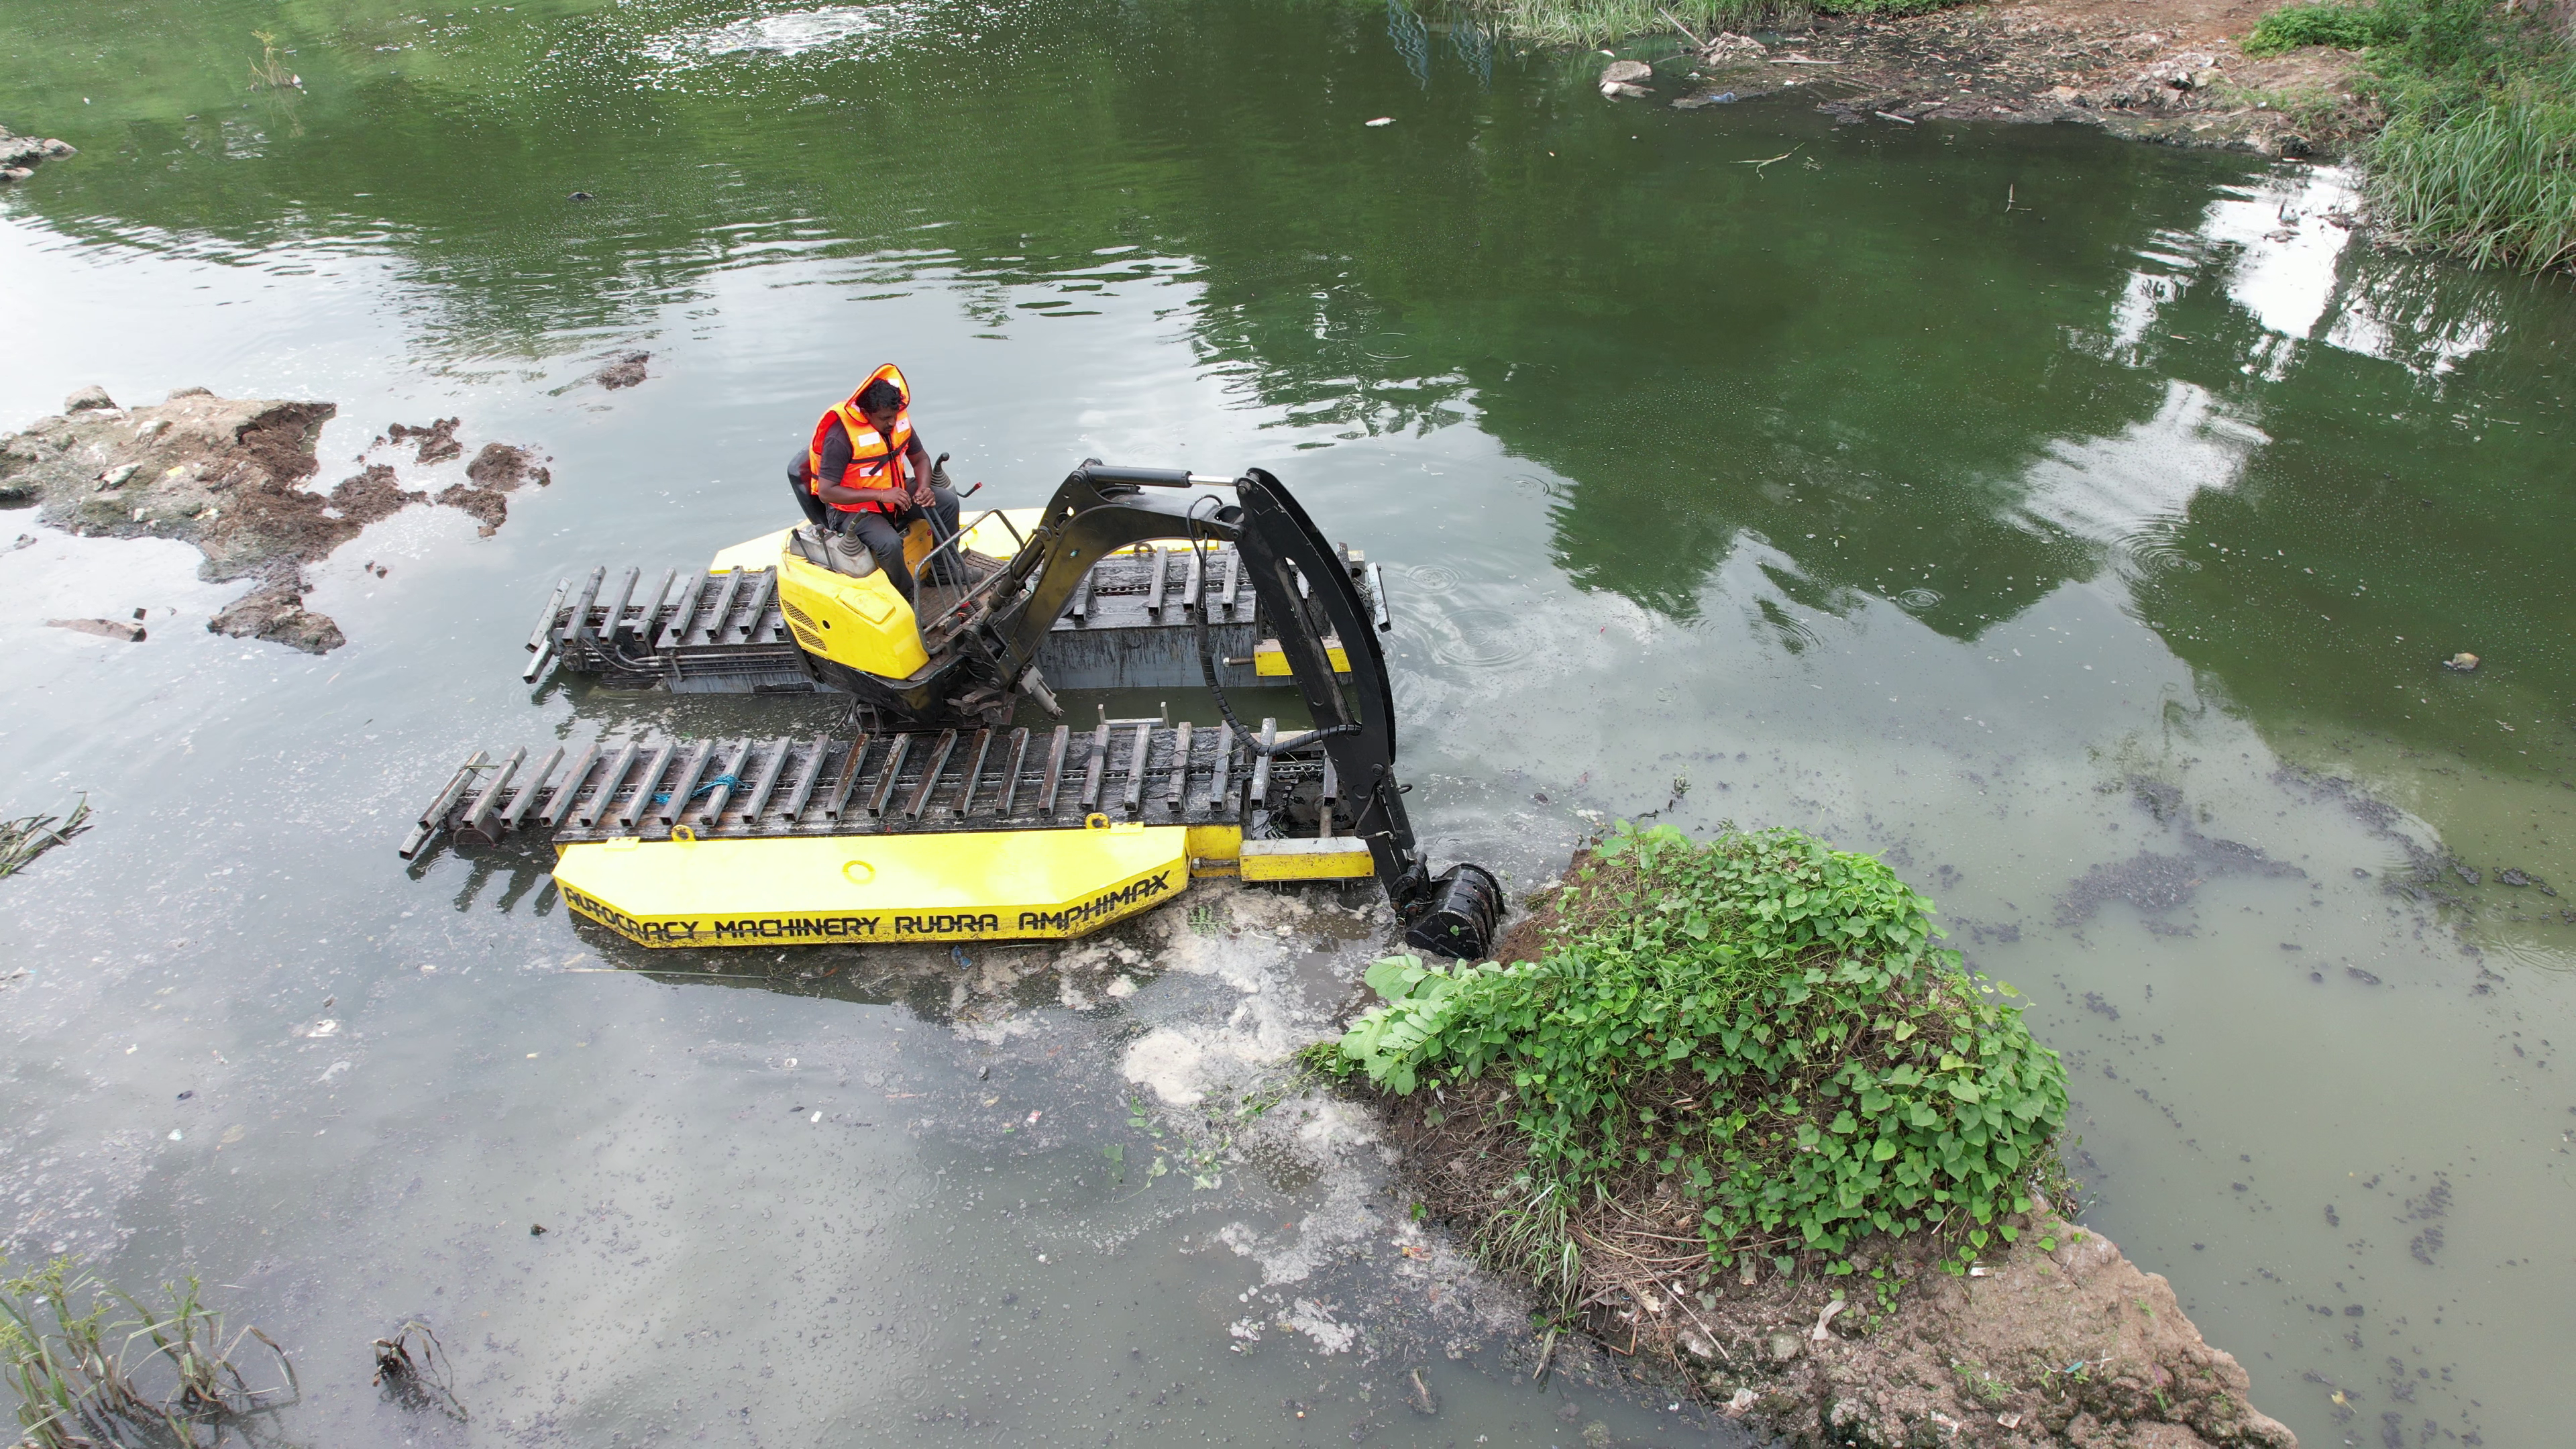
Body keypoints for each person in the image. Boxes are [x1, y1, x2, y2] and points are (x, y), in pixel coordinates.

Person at [793, 363, 959, 602]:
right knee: (889, 543)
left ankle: (943, 572)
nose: (892, 423)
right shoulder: (840, 438)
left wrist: (924, 488)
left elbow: (920, 458)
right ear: (866, 413)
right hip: (850, 509)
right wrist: (881, 495)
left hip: (895, 494)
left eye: (894, 416)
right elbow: (827, 493)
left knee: (947, 503)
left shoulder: (897, 422)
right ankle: (906, 594)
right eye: (885, 419)